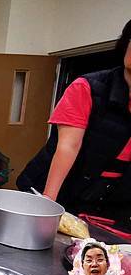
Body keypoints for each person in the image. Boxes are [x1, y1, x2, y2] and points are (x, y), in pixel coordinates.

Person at [17, 19, 131, 232]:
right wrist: (47, 205)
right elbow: (68, 146)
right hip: (65, 190)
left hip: (109, 205)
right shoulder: (88, 87)